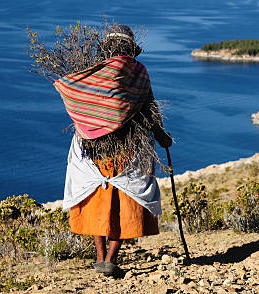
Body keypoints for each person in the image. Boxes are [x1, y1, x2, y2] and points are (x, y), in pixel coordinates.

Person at [55, 24, 172, 277]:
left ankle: (100, 257)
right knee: (124, 201)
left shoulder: (90, 73)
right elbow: (149, 105)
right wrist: (161, 136)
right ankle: (109, 258)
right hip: (128, 149)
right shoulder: (139, 71)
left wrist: (92, 122)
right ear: (130, 47)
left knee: (97, 200)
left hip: (92, 149)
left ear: (107, 48)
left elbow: (72, 93)